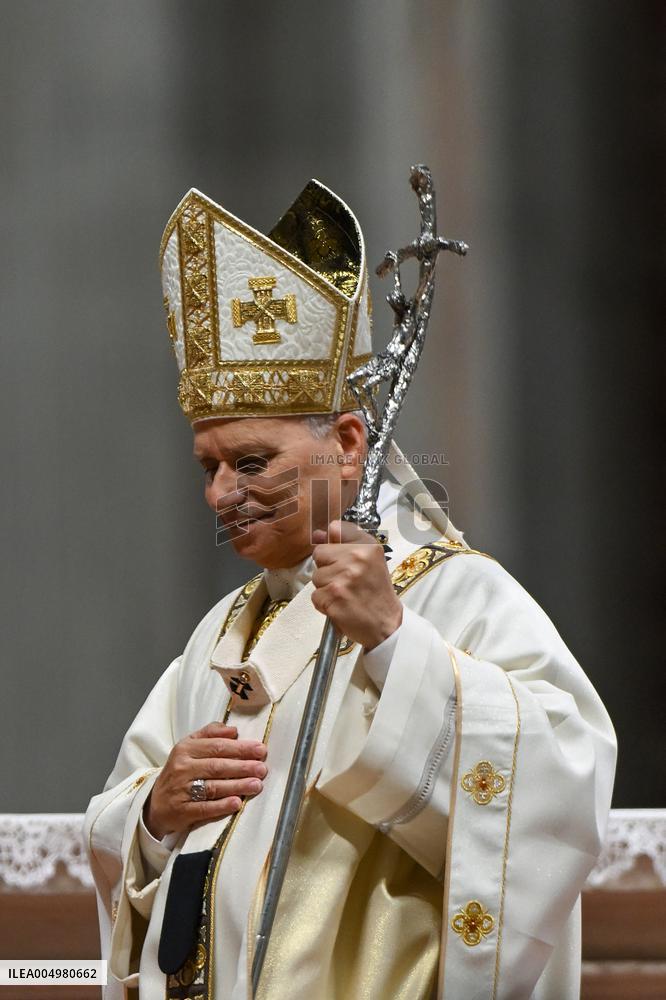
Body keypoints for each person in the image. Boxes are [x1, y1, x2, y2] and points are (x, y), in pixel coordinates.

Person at [84, 180, 617, 1000]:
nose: (220, 494)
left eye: (250, 462)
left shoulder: (459, 597)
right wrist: (155, 815)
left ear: (345, 443)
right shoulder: (222, 635)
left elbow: (565, 785)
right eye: (209, 467)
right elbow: (124, 819)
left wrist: (396, 643)